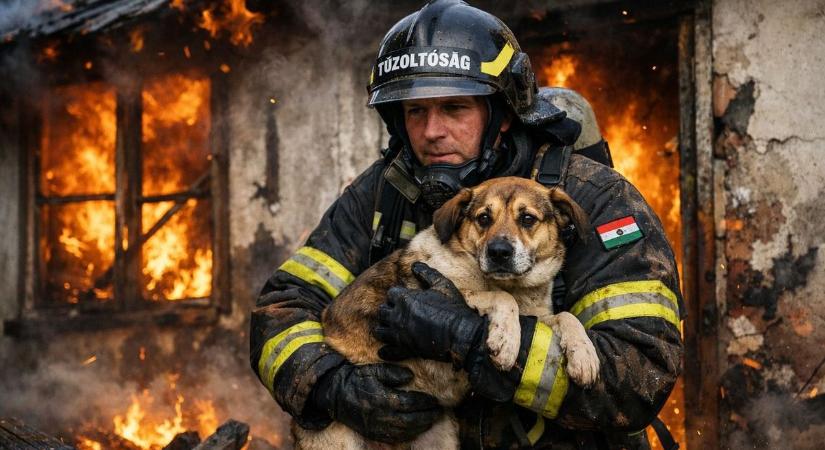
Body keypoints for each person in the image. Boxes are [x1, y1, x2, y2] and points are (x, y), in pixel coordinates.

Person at [250, 1, 684, 448]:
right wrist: (332, 386)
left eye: (454, 108)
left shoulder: (595, 197)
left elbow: (639, 376)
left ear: (502, 115)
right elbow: (282, 308)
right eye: (415, 111)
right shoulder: (384, 191)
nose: (431, 131)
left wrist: (470, 338)